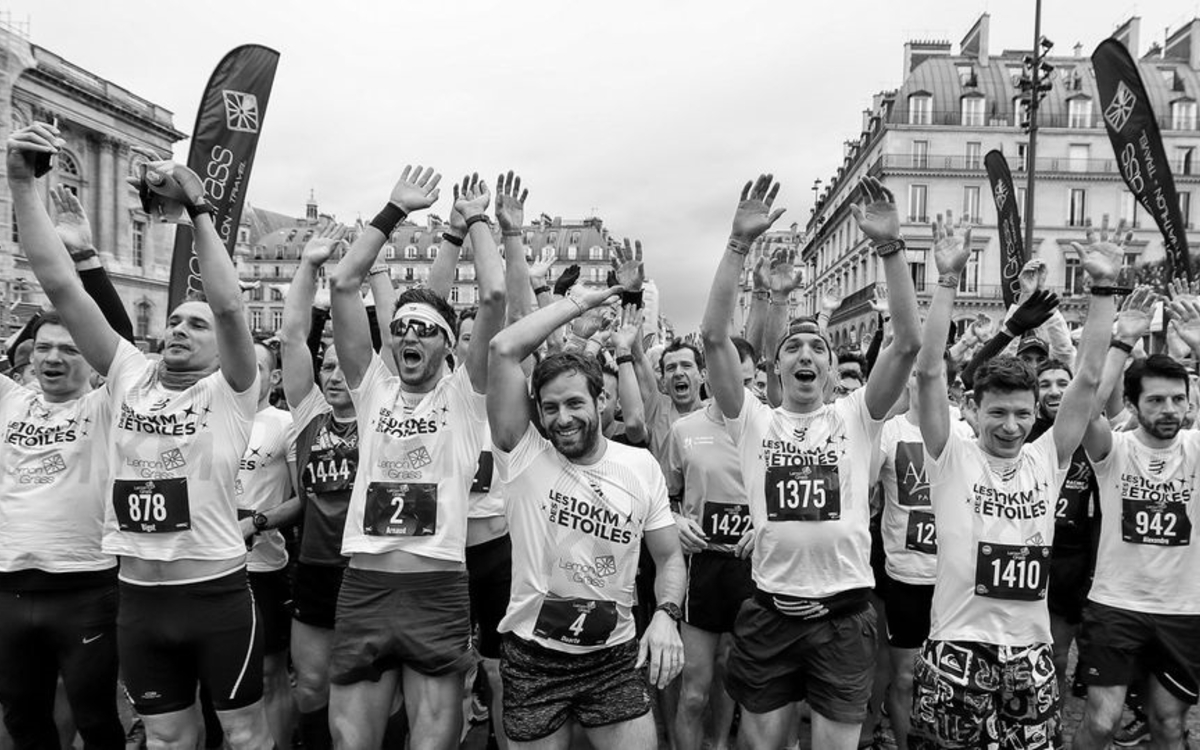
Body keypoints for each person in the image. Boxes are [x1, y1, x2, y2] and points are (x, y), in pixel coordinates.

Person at [8, 123, 270, 748]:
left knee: (246, 738)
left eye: (195, 325)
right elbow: (60, 286)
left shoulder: (230, 393)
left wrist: (197, 210)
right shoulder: (126, 372)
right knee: (169, 740)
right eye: (174, 319)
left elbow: (232, 308)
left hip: (214, 593)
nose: (179, 327)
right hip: (137, 598)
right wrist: (21, 185)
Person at [701, 174, 922, 750]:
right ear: (775, 371)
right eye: (792, 348)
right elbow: (715, 340)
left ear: (829, 369)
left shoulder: (857, 416)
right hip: (770, 613)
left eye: (817, 347)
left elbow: (905, 344)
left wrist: (891, 249)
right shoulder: (754, 421)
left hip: (844, 617)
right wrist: (736, 244)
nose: (805, 353)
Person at [909, 215, 1119, 749]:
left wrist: (1102, 289)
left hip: (1030, 650)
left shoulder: (1048, 456)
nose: (1010, 426)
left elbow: (1089, 379)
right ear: (974, 410)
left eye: (1022, 415)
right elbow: (929, 372)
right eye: (997, 413)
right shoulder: (950, 454)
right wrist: (947, 281)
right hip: (958, 644)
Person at [326, 169, 505, 750]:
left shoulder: (464, 395)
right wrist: (393, 210)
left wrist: (476, 218)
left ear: (448, 347)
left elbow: (496, 297)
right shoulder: (372, 385)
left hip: (438, 589)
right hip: (366, 585)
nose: (408, 335)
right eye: (399, 328)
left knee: (434, 740)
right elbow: (344, 284)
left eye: (424, 331)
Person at [486, 259, 685, 748]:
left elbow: (669, 557)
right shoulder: (524, 451)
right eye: (550, 408)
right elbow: (503, 348)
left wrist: (665, 614)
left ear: (600, 402)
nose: (562, 418)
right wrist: (587, 300)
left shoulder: (639, 468)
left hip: (612, 658)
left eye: (574, 403)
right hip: (534, 658)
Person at [1072, 294, 1200, 750]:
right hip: (1115, 604)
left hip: (1183, 610)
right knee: (1101, 723)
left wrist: (1199, 349)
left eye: (1178, 400)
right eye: (1157, 400)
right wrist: (1121, 343)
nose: (1170, 409)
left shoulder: (1195, 449)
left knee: (1168, 724)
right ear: (1132, 403)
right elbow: (1084, 408)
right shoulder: (1115, 451)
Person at [0, 312, 125, 750]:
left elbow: (118, 339)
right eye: (43, 347)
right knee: (22, 716)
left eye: (70, 348)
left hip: (85, 589)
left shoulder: (106, 404)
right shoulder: (9, 400)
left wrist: (87, 263)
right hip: (9, 589)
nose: (53, 357)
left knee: (95, 719)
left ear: (92, 360)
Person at [279, 223, 358, 750]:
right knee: (310, 685)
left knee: (364, 690)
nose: (333, 375)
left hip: (368, 570)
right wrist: (308, 267)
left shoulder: (381, 414)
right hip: (314, 568)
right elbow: (290, 337)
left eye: (342, 366)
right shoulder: (308, 415)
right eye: (326, 366)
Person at [873, 365, 973, 749]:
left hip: (956, 581)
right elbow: (862, 483)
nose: (924, 380)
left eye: (933, 374)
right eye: (914, 373)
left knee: (954, 678)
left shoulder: (963, 430)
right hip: (907, 578)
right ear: (907, 380)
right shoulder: (890, 431)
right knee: (904, 678)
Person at [235, 341, 299, 749]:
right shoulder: (208, 417)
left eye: (256, 366)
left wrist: (256, 522)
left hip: (263, 569)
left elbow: (303, 499)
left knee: (270, 672)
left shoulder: (285, 423)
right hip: (206, 566)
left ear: (274, 377)